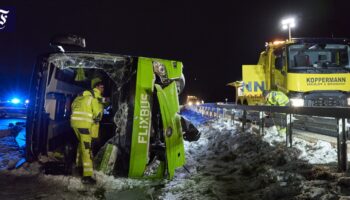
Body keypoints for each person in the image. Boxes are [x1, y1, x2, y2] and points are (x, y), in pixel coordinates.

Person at [70, 77, 105, 184]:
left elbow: (72, 107)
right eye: (102, 87)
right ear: (97, 87)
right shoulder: (94, 98)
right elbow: (98, 115)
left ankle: (79, 165)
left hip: (75, 124)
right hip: (85, 126)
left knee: (81, 145)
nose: (103, 89)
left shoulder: (79, 97)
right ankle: (87, 176)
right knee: (87, 149)